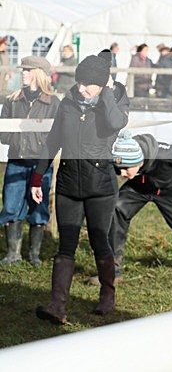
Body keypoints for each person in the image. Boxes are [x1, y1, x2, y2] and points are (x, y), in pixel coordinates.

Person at [31, 54, 130, 324]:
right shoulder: (68, 103)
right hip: (68, 185)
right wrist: (38, 176)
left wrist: (107, 93)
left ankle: (107, 296)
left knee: (100, 242)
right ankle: (56, 306)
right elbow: (53, 140)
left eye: (88, 84)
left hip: (101, 187)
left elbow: (115, 123)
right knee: (66, 246)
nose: (81, 87)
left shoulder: (115, 101)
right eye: (79, 82)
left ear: (101, 85)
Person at [87, 131, 172, 284]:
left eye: (126, 168)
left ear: (139, 160)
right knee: (117, 209)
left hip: (170, 190)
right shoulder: (125, 155)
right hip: (139, 187)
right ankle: (112, 270)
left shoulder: (167, 154)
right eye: (119, 168)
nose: (121, 173)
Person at [0, 57, 60, 265]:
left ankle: (34, 254)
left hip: (40, 164)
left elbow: (56, 136)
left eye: (27, 70)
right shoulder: (12, 100)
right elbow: (4, 134)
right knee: (10, 205)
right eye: (23, 70)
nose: (22, 73)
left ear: (39, 73)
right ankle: (13, 253)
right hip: (16, 161)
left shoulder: (53, 103)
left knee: (39, 207)